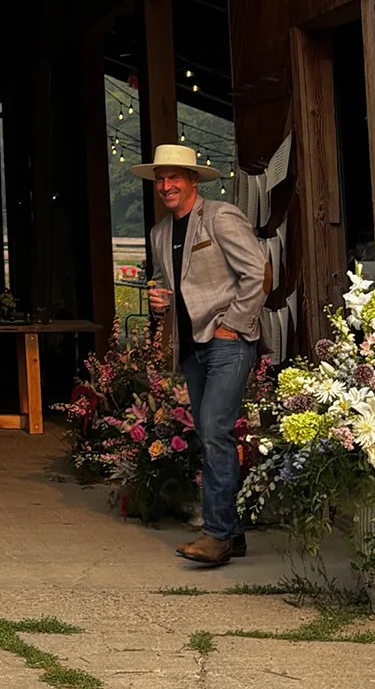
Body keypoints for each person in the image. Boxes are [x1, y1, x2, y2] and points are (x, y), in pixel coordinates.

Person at [135, 140, 266, 568]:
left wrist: (234, 325)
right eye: (160, 178)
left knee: (213, 430)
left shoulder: (220, 216)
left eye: (174, 177)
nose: (166, 185)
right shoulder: (159, 234)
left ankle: (215, 535)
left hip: (228, 341)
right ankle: (233, 531)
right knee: (213, 434)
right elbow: (166, 284)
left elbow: (257, 272)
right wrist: (160, 300)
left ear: (193, 181)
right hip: (192, 347)